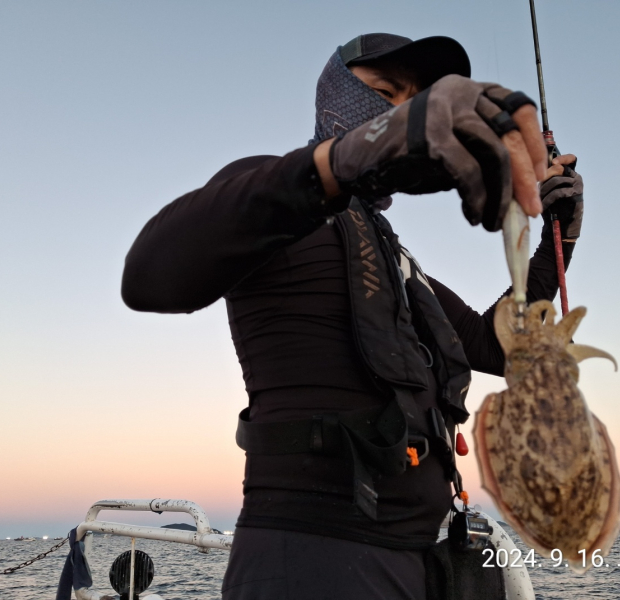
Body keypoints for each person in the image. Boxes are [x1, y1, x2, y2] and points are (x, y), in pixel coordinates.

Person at [121, 33, 584, 600]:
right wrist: (337, 162)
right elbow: (148, 275)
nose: (403, 112)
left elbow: (496, 346)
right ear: (333, 97)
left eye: (416, 102)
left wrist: (555, 237)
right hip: (312, 554)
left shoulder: (394, 259)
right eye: (387, 91)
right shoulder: (271, 193)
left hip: (418, 558)